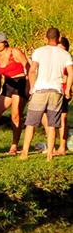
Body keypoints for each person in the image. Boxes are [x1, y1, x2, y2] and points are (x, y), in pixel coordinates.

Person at [20, 27, 73, 162]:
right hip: (56, 90)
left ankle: (24, 153)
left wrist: (32, 87)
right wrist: (67, 90)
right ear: (59, 38)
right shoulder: (65, 54)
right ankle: (50, 154)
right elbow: (71, 72)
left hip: (40, 89)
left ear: (45, 38)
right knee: (52, 124)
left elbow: (32, 71)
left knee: (31, 123)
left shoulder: (39, 52)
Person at [0, 33, 29, 155]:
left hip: (20, 82)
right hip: (7, 85)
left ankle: (14, 145)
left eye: (0, 42)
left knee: (15, 115)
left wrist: (29, 84)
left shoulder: (15, 52)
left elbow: (27, 66)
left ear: (5, 42)